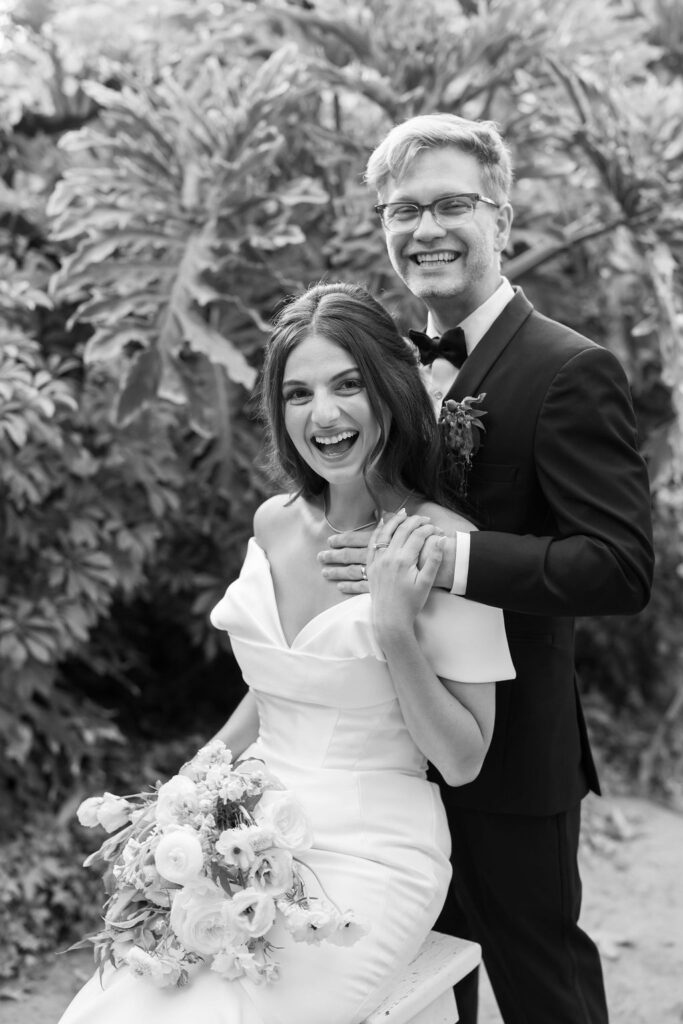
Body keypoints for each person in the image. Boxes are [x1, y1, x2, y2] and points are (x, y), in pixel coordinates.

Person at [58, 282, 516, 1024]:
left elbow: (463, 760)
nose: (323, 415)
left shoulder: (442, 544)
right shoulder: (273, 522)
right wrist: (188, 787)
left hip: (373, 851)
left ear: (391, 394)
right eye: (298, 393)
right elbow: (282, 685)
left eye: (347, 386)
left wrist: (395, 627)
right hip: (247, 820)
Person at [318, 114, 655, 1024]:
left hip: (511, 760)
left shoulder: (568, 369)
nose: (424, 228)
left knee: (540, 984)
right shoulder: (381, 366)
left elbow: (618, 568)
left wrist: (442, 556)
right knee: (422, 986)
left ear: (501, 217)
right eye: (403, 210)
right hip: (391, 745)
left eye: (452, 204)